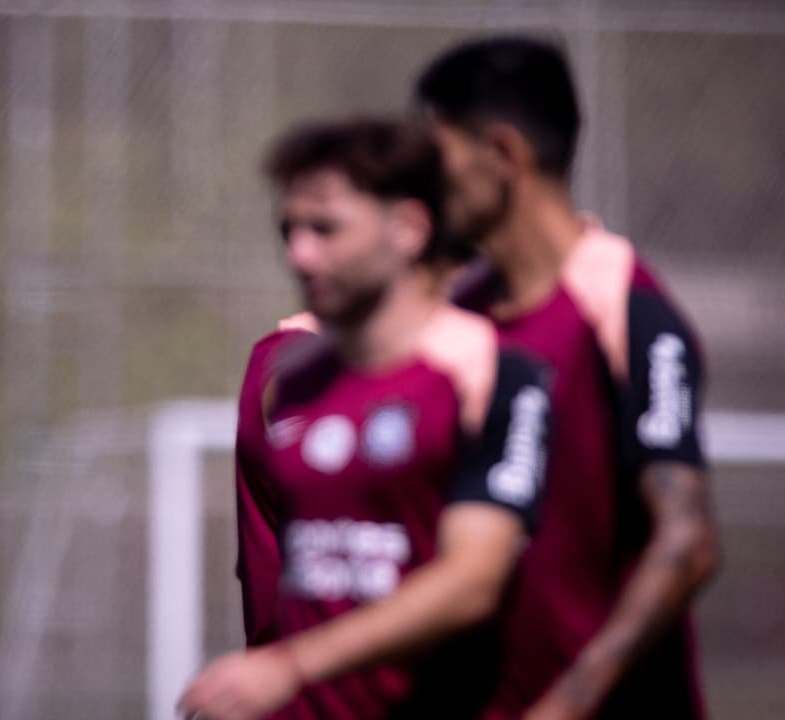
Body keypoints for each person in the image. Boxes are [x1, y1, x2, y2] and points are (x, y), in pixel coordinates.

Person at [178, 118, 552, 719]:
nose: (298, 254)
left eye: (325, 229)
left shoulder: (490, 375)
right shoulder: (292, 380)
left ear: (407, 228)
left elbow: (474, 580)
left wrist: (292, 665)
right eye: (289, 230)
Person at [413, 36, 721, 719]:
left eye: (440, 157)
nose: (427, 183)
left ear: (503, 154)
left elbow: (688, 542)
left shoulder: (625, 308)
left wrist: (569, 701)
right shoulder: (459, 316)